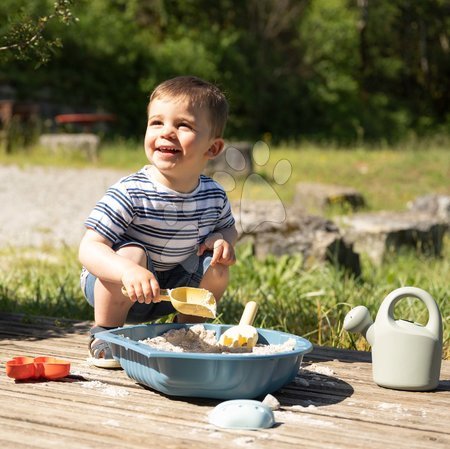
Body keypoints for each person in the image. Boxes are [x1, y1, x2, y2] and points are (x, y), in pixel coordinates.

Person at [79, 76, 237, 367]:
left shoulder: (213, 195)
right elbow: (89, 248)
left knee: (217, 266)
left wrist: (220, 240)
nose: (167, 133)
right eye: (157, 123)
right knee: (132, 253)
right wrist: (126, 271)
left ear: (212, 149)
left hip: (171, 289)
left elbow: (227, 227)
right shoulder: (131, 191)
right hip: (117, 287)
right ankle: (106, 333)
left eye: (183, 125)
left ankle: (185, 331)